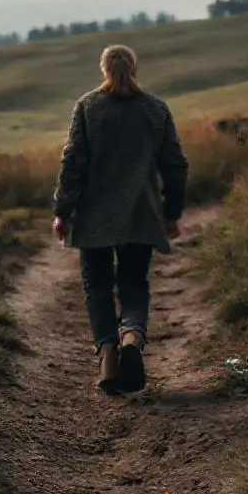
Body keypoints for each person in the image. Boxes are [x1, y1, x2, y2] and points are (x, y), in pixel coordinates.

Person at [51, 44, 189, 395]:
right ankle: (132, 336)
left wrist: (62, 210)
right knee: (134, 282)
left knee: (96, 284)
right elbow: (175, 165)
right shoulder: (155, 109)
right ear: (134, 67)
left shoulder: (87, 107)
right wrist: (172, 213)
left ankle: (109, 355)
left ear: (103, 70)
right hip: (140, 213)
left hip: (94, 214)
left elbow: (73, 163)